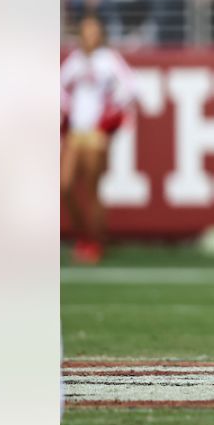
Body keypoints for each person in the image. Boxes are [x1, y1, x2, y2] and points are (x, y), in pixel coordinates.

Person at [60, 14, 135, 265]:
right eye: (86, 32)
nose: (89, 37)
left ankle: (94, 241)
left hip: (95, 134)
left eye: (94, 32)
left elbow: (130, 87)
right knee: (66, 185)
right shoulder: (76, 60)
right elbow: (59, 87)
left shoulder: (109, 60)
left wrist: (109, 115)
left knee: (92, 189)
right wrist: (67, 110)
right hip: (75, 133)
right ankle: (84, 235)